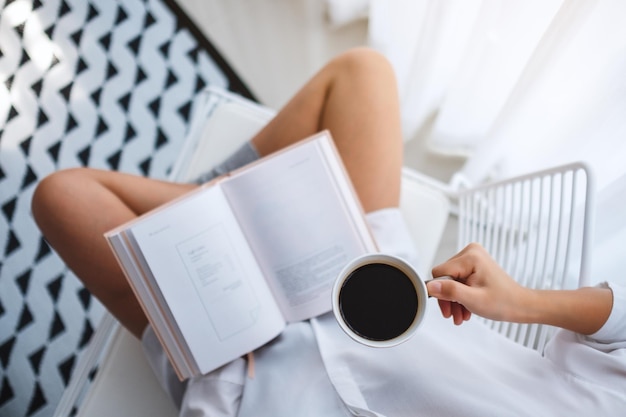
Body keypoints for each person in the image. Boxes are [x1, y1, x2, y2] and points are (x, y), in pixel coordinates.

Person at [32, 48, 625, 416]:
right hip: (378, 281)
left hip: (239, 363)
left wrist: (224, 385)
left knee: (63, 196)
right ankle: (229, 210)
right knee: (363, 73)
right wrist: (521, 301)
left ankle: (229, 208)